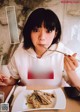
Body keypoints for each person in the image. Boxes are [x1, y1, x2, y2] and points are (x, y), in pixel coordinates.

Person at [0, 8, 80, 90]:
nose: (42, 38)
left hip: (56, 99)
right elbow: (14, 78)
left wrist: (71, 71)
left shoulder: (65, 54)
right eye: (36, 30)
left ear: (55, 34)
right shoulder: (20, 51)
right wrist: (7, 82)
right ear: (29, 32)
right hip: (27, 99)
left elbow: (77, 86)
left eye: (48, 31)